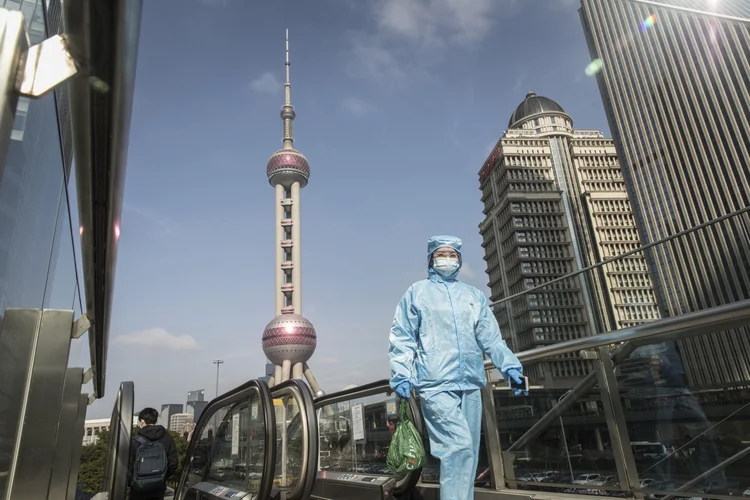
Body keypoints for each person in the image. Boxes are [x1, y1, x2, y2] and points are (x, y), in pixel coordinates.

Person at [389, 235, 526, 500]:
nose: (448, 259)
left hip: (471, 383)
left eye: (453, 255)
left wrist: (510, 367)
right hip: (434, 383)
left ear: (460, 259)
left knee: (469, 453)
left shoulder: (473, 295)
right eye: (442, 254)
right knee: (457, 447)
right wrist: (402, 373)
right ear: (431, 259)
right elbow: (402, 335)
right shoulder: (417, 292)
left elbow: (490, 337)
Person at [129, 408, 179, 500]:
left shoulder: (135, 441)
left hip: (138, 489)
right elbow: (173, 463)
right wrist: (161, 476)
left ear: (142, 421)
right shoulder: (168, 438)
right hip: (158, 488)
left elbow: (128, 465)